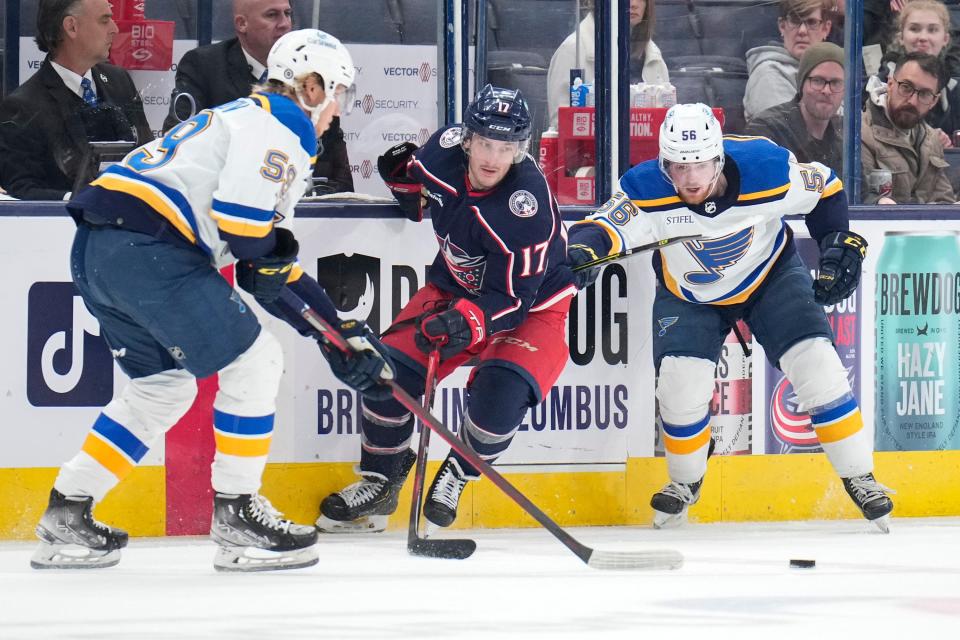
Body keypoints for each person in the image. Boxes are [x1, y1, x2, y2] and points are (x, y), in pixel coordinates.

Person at [30, 29, 391, 572]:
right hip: (150, 251)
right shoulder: (282, 125)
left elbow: (263, 270)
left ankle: (68, 511)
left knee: (162, 389)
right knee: (258, 359)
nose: (337, 111)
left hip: (101, 251)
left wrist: (334, 332)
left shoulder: (243, 117)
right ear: (311, 86)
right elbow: (249, 236)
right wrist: (330, 334)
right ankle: (237, 512)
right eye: (337, 92)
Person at [567, 103, 894, 532]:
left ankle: (860, 476)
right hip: (690, 295)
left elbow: (826, 187)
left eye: (700, 164)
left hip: (768, 278)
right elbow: (604, 226)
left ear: (718, 156)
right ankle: (686, 481)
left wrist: (838, 240)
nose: (689, 179)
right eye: (677, 166)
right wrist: (582, 252)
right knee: (680, 385)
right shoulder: (646, 187)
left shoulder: (767, 167)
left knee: (816, 362)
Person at [316, 85, 579, 534]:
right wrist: (399, 176)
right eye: (484, 144)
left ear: (520, 149)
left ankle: (458, 472)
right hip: (454, 286)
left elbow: (515, 300)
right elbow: (421, 195)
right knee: (387, 374)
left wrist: (468, 320)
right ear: (467, 140)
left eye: (506, 147)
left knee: (501, 393)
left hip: (534, 304)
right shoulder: (441, 151)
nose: (492, 158)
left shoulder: (527, 206)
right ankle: (382, 478)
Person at [162, 0, 354, 194]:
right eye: (272, 15)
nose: (285, 24)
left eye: (287, 14)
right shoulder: (204, 65)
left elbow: (336, 170)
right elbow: (180, 145)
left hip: (304, 211)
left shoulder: (311, 69)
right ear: (241, 24)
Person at [0, 0, 152, 201]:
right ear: (71, 26)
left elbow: (147, 152)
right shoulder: (23, 106)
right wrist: (80, 201)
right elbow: (22, 190)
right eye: (104, 20)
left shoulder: (120, 81)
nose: (114, 29)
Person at [546, 0, 668, 129]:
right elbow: (561, 126)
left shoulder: (653, 55)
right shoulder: (572, 50)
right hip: (591, 149)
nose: (633, 3)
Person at [862, 51, 955, 204]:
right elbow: (861, 202)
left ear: (934, 101)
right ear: (890, 83)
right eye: (906, 87)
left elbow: (943, 202)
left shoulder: (932, 140)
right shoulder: (860, 133)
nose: (912, 101)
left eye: (924, 94)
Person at [866, 0, 960, 149]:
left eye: (932, 30)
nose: (923, 37)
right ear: (901, 37)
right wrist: (926, 138)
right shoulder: (877, 87)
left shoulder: (954, 91)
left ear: (945, 39)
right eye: (915, 29)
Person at [745, 42, 845, 173]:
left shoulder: (844, 138)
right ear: (801, 84)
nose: (826, 90)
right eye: (818, 81)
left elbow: (862, 192)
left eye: (836, 83)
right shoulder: (768, 130)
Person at [744, 0, 833, 121]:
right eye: (795, 21)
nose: (802, 31)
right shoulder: (768, 74)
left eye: (811, 22)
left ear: (826, 29)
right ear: (782, 26)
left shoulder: (834, 72)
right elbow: (788, 133)